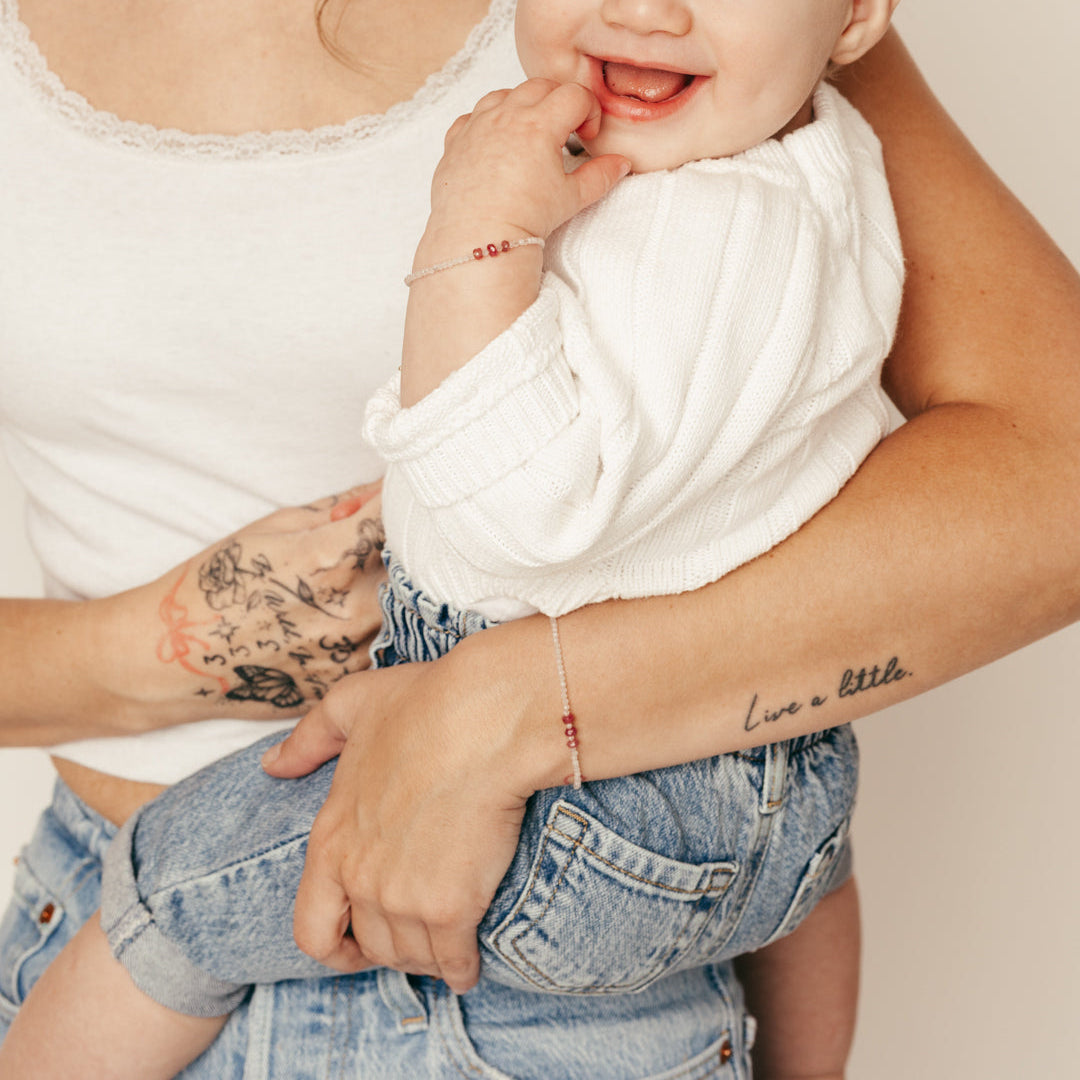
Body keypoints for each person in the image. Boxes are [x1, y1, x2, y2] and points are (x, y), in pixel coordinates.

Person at [0, 2, 1078, 1079]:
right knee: (805, 858)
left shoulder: (694, 65)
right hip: (687, 823)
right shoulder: (758, 131)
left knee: (167, 907)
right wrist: (162, 646)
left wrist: (513, 707)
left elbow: (1055, 474)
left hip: (537, 902)